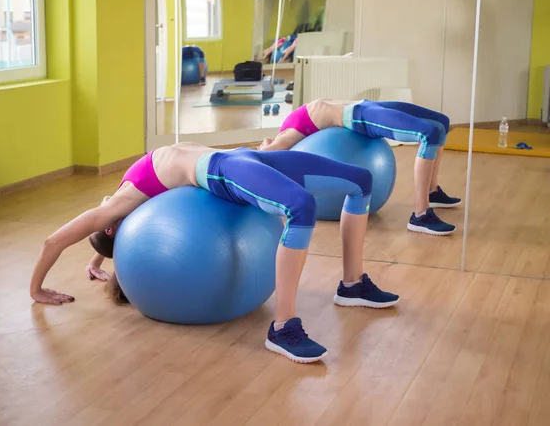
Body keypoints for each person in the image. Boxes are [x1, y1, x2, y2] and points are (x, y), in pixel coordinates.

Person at [30, 142, 399, 364]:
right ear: (110, 227)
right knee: (300, 206)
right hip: (219, 170)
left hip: (244, 157)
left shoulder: (125, 197)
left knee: (360, 179)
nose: (102, 202)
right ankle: (284, 327)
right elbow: (56, 240)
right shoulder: (115, 210)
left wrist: (97, 260)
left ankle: (352, 284)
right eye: (105, 222)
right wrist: (37, 289)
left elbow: (109, 239)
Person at [258, 99, 461, 236]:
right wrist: (265, 147)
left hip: (365, 106)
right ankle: (421, 215)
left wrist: (267, 142)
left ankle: (432, 191)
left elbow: (267, 148)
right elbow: (263, 156)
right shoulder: (288, 138)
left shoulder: (288, 127)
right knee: (430, 133)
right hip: (356, 114)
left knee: (441, 122)